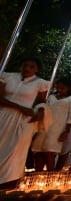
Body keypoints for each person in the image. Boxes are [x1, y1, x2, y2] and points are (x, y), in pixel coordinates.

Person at [0, 57, 49, 189]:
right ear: (21, 66)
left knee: (16, 149)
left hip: (23, 120)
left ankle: (9, 180)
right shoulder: (7, 76)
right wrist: (21, 108)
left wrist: (40, 110)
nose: (27, 69)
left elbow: (43, 102)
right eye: (25, 65)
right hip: (3, 115)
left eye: (32, 67)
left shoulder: (41, 83)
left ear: (37, 69)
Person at [31, 77, 71, 172]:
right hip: (45, 125)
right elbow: (45, 108)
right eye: (58, 88)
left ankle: (50, 175)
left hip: (58, 128)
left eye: (62, 88)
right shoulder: (51, 97)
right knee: (39, 150)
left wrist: (66, 131)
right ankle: (37, 174)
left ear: (69, 88)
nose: (59, 90)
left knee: (49, 151)